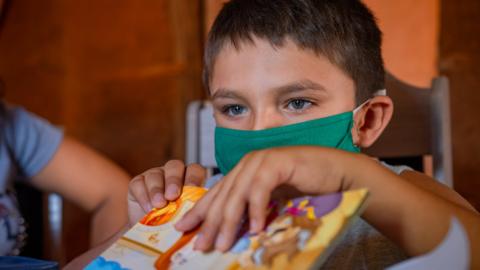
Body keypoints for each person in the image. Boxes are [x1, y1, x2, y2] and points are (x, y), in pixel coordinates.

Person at [70, 0, 480, 268]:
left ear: (367, 121)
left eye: (297, 103)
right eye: (234, 108)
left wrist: (350, 178)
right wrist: (139, 236)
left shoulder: (398, 193)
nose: (260, 130)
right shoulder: (205, 204)